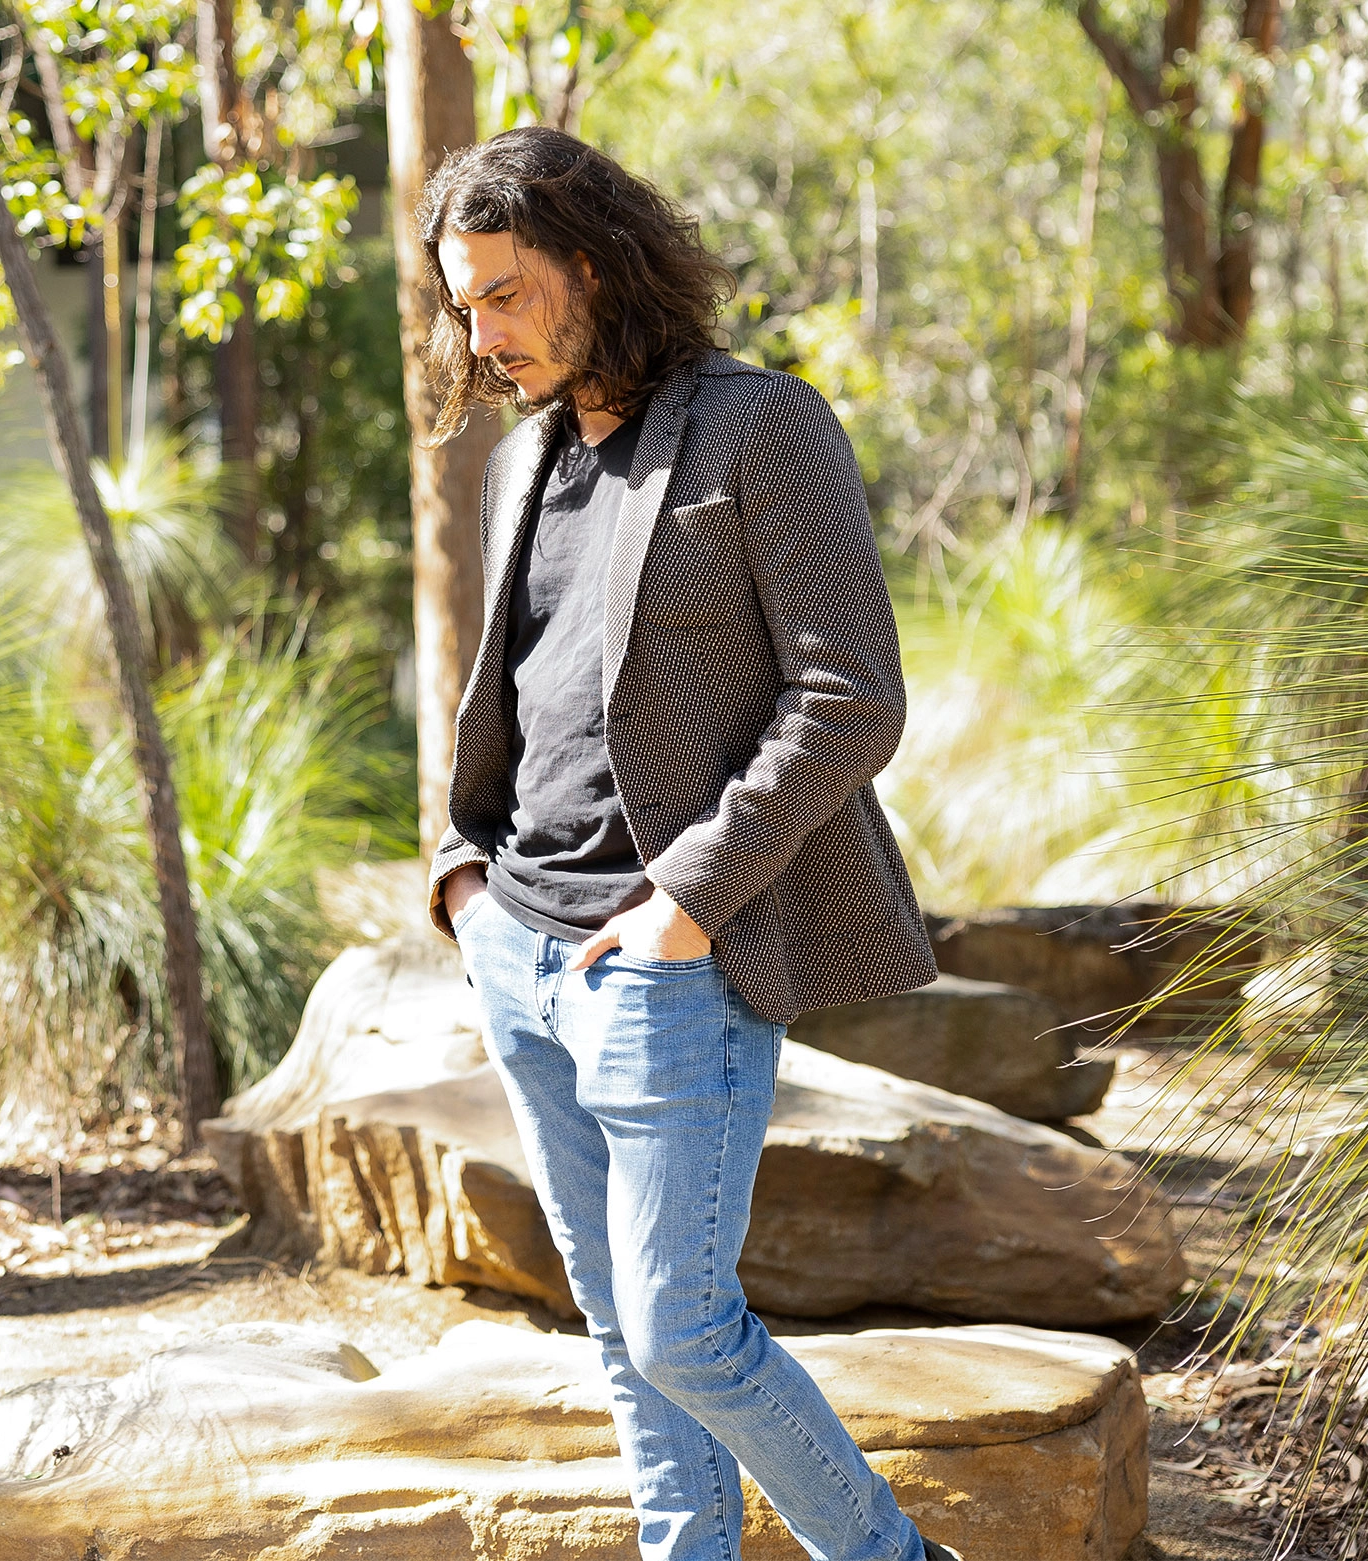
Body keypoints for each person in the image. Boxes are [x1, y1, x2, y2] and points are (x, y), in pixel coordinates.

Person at [419, 126, 961, 1561]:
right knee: (623, 1334)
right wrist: (463, 880)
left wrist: (688, 901)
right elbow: (510, 687)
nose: (482, 335)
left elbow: (853, 699)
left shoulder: (760, 430)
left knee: (681, 1330)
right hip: (520, 941)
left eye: (507, 295)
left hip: (666, 957)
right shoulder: (524, 455)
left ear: (595, 268)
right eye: (461, 302)